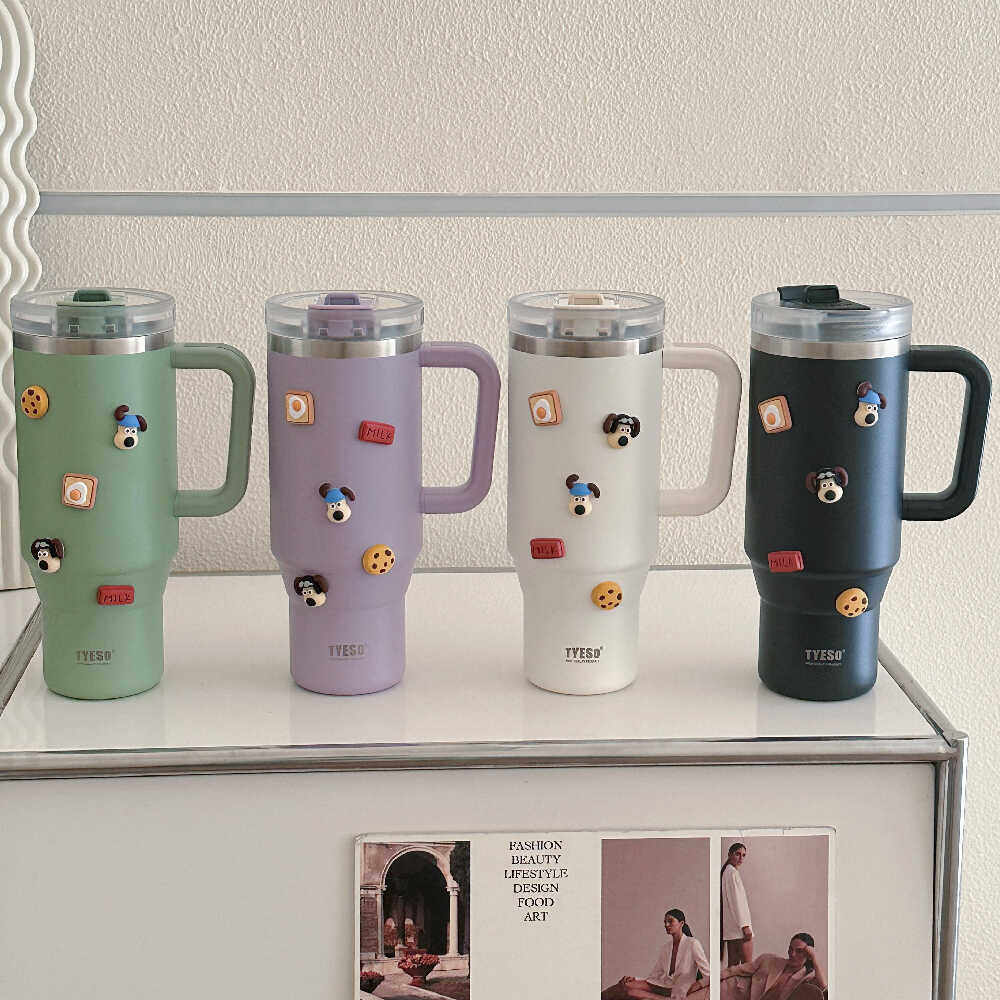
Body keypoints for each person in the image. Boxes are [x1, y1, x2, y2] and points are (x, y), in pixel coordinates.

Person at [602, 908, 710, 998]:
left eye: (670, 921)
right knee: (625, 985)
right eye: (665, 922)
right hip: (664, 986)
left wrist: (697, 985)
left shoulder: (693, 944)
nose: (666, 924)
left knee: (630, 992)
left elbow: (708, 974)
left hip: (678, 989)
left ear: (681, 923)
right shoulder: (666, 948)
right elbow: (655, 975)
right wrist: (635, 978)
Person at [720, 932, 827, 1000]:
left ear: (808, 955)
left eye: (799, 951)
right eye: (790, 949)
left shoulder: (808, 977)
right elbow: (735, 970)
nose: (792, 954)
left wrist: (814, 958)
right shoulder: (769, 960)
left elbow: (825, 992)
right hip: (734, 993)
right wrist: (709, 981)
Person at [720, 843, 753, 966]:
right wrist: (745, 926)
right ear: (729, 854)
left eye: (743, 855)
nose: (741, 858)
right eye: (737, 854)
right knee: (747, 968)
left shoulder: (726, 872)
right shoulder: (732, 873)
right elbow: (736, 901)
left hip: (732, 930)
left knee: (732, 969)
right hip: (740, 929)